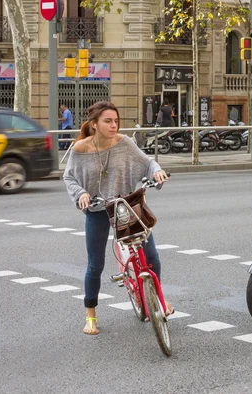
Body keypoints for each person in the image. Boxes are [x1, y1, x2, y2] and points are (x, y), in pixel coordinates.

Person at [63, 101, 171, 335]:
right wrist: (81, 194)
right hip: (99, 210)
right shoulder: (80, 149)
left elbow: (148, 162)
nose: (114, 125)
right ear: (94, 125)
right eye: (108, 121)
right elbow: (69, 178)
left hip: (126, 206)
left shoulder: (126, 143)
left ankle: (159, 300)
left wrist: (157, 171)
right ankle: (90, 315)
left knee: (152, 256)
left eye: (116, 121)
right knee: (95, 265)